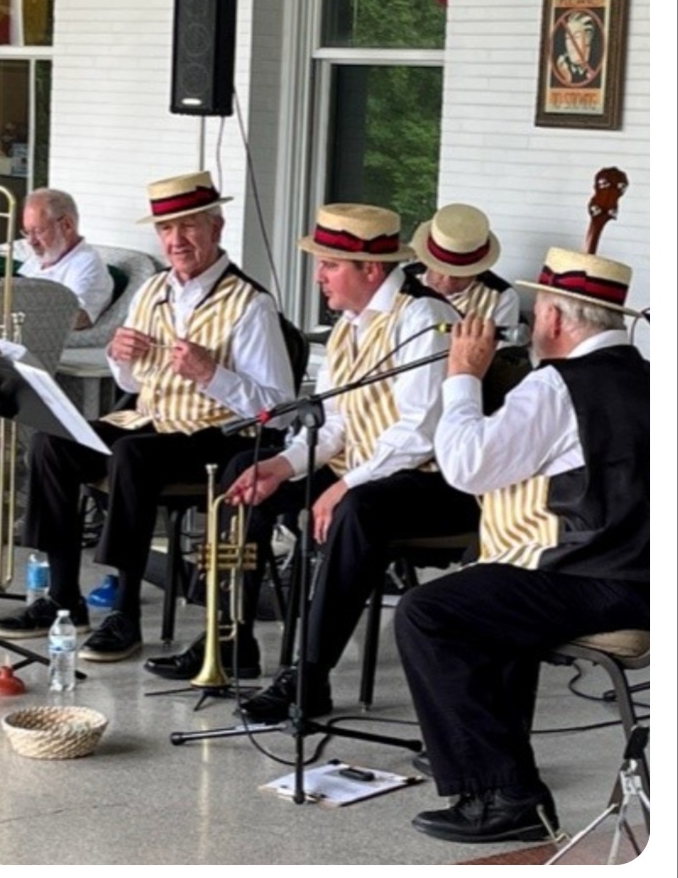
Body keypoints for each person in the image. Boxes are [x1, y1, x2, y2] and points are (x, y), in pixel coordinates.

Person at [397, 247, 648, 844]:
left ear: (557, 320)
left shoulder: (558, 386)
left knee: (427, 612)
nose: (534, 323)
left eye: (539, 312)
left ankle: (505, 795)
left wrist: (462, 375)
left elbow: (465, 467)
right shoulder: (651, 377)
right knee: (488, 595)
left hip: (597, 580)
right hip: (646, 578)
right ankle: (498, 773)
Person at [0, 172, 293, 663]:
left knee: (133, 455)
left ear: (216, 228)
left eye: (188, 227)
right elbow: (132, 386)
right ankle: (64, 597)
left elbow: (276, 409)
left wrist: (211, 373)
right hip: (152, 420)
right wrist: (120, 356)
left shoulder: (251, 304)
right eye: (166, 230)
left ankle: (124, 613)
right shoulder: (153, 290)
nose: (176, 241)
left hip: (217, 435)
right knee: (53, 440)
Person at [220, 203, 479, 722]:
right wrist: (286, 466)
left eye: (330, 264)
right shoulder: (348, 324)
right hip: (365, 469)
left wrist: (342, 487)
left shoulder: (424, 318)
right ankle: (231, 635)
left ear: (371, 270)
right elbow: (336, 423)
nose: (319, 276)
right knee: (241, 473)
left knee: (356, 510)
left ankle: (310, 677)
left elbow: (419, 433)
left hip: (436, 481)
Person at [405, 203, 521, 332]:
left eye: (459, 274)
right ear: (426, 260)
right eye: (441, 269)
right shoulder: (404, 280)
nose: (447, 280)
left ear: (478, 268)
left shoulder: (502, 297)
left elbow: (503, 350)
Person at [17, 187, 115, 330]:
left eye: (38, 231)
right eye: (27, 232)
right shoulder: (41, 257)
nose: (31, 241)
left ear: (67, 225)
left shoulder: (86, 263)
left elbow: (74, 317)